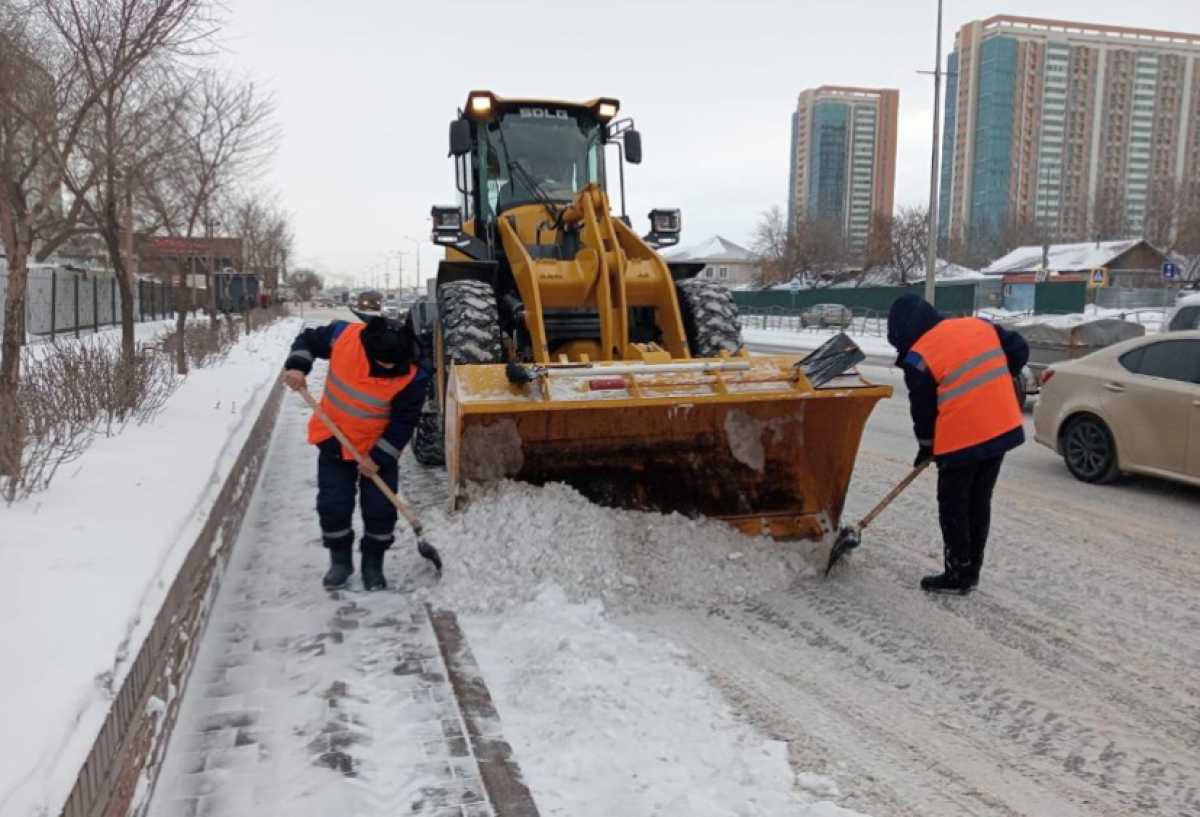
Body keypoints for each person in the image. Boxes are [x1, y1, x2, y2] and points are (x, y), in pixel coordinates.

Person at [886, 294, 1029, 595]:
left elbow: (924, 414)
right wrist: (1001, 380)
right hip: (1001, 425)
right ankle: (970, 570)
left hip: (963, 438)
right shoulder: (977, 325)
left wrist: (927, 447)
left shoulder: (919, 357)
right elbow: (1019, 348)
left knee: (953, 504)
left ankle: (957, 575)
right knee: (979, 501)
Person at [281, 314, 426, 591]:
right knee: (333, 504)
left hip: (377, 448)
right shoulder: (345, 336)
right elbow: (308, 340)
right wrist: (298, 366)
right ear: (370, 349)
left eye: (396, 363)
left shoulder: (414, 374)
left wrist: (379, 457)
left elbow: (404, 422)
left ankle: (373, 565)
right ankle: (340, 562)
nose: (391, 367)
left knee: (380, 510)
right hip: (334, 441)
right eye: (385, 363)